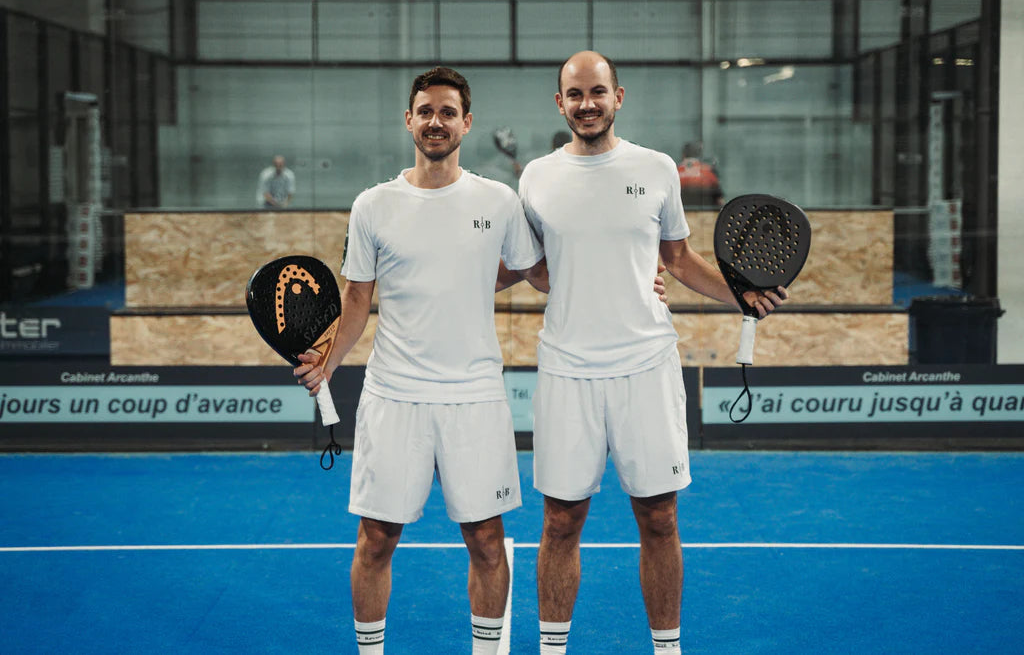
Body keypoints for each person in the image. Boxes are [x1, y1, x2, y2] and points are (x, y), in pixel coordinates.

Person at [517, 50, 788, 655]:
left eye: (597, 92)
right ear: (560, 104)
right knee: (560, 522)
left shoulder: (659, 168)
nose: (587, 104)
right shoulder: (535, 176)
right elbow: (533, 267)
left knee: (660, 518)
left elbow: (679, 260)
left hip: (646, 368)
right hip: (567, 371)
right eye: (575, 95)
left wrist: (740, 295)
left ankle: (668, 650)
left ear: (619, 96)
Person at [292, 66, 547, 654]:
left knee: (487, 539)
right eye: (426, 111)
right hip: (394, 396)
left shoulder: (498, 201)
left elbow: (532, 272)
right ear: (409, 120)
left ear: (467, 122)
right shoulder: (373, 205)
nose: (436, 121)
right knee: (375, 539)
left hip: (476, 398)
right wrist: (327, 361)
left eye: (448, 112)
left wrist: (634, 279)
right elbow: (358, 298)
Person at [677, 140, 724, 207]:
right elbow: (720, 201)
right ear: (698, 154)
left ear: (683, 155)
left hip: (681, 214)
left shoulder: (675, 172)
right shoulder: (708, 172)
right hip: (706, 215)